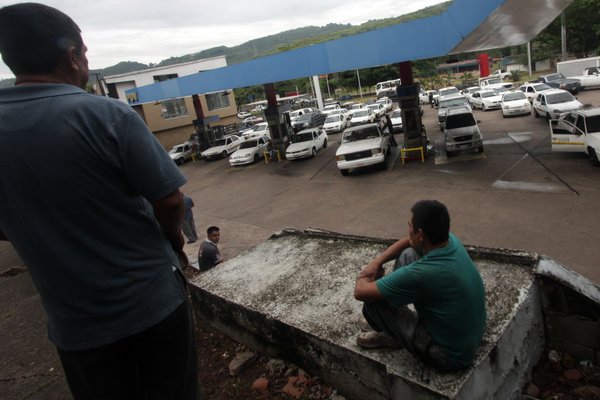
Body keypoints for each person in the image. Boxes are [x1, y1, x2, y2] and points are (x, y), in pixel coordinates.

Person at [0, 4, 199, 399]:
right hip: (150, 305)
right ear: (72, 57)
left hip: (74, 326)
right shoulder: (105, 114)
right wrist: (173, 239)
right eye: (86, 55)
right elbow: (170, 200)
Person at [353, 200, 486, 371]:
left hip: (448, 355)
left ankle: (392, 335)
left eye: (410, 226)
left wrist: (367, 275)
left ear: (421, 235)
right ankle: (395, 331)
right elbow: (408, 242)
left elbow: (360, 291)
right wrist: (377, 262)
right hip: (468, 336)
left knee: (374, 301)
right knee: (408, 254)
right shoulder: (449, 240)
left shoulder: (421, 273)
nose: (408, 230)